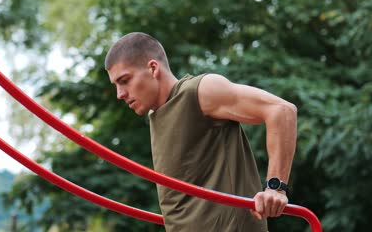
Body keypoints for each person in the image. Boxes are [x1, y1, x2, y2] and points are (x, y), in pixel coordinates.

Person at [105, 32, 297, 232]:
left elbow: (281, 111)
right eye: (116, 85)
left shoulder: (198, 92)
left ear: (153, 68)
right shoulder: (157, 115)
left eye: (125, 80)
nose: (120, 94)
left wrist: (276, 188)